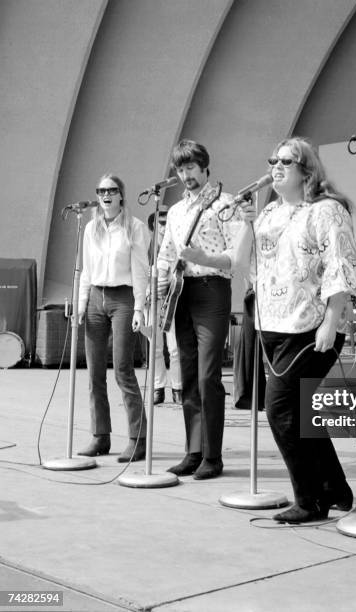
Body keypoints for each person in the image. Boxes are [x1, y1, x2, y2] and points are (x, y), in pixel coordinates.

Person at [234, 136, 356, 523]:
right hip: (273, 326)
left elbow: (341, 264)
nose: (276, 166)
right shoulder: (270, 214)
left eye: (286, 162)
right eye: (272, 160)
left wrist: (330, 319)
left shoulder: (326, 211)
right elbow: (242, 262)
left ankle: (309, 500)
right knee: (301, 412)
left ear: (306, 170)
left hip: (310, 328)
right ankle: (336, 488)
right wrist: (246, 222)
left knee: (281, 412)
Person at [157, 140, 239, 480]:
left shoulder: (224, 203)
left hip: (213, 289)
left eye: (191, 167)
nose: (186, 174)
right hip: (181, 292)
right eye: (180, 169)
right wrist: (159, 283)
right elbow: (165, 253)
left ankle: (213, 456)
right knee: (187, 374)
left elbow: (236, 254)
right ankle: (193, 450)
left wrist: (205, 259)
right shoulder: (174, 211)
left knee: (208, 375)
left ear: (205, 167)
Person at [77, 174, 150, 462]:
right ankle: (100, 436)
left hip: (123, 297)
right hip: (96, 295)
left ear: (121, 195)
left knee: (122, 369)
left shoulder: (135, 227)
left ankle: (138, 438)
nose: (106, 194)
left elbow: (141, 270)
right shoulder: (91, 228)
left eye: (112, 190)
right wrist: (82, 304)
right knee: (94, 372)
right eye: (101, 190)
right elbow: (85, 270)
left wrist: (139, 308)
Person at [146, 211, 182, 405]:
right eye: (160, 223)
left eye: (166, 222)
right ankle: (158, 388)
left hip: (172, 298)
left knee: (175, 347)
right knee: (155, 347)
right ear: (153, 226)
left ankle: (178, 388)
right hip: (152, 299)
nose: (163, 226)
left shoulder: (175, 246)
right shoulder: (148, 247)